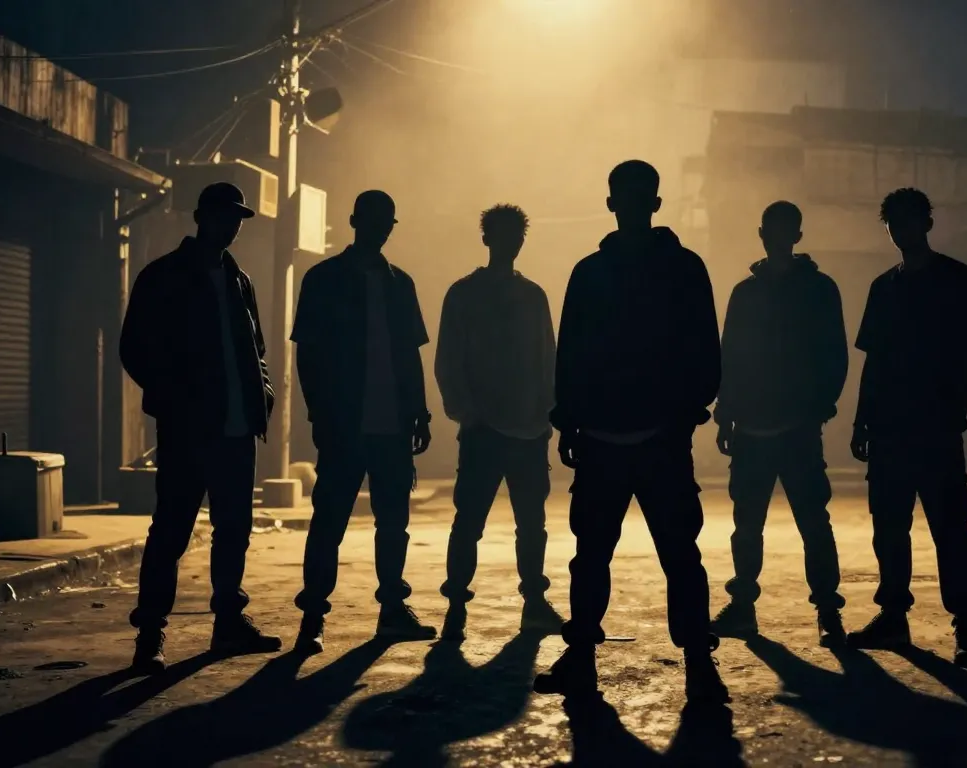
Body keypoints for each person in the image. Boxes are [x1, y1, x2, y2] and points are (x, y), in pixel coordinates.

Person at [532, 160, 727, 702]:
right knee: (675, 553)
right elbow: (705, 352)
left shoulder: (591, 272)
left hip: (609, 439)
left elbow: (571, 356)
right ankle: (696, 659)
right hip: (658, 438)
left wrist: (569, 421)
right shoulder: (683, 268)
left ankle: (584, 655)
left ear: (612, 203)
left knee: (596, 553)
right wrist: (685, 412)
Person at [120, 182, 281, 674]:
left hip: (236, 429)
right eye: (223, 216)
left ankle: (228, 623)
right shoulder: (163, 276)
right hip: (188, 429)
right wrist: (176, 399)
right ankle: (150, 634)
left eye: (237, 219)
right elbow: (134, 349)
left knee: (233, 530)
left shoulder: (239, 280)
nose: (231, 227)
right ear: (200, 217)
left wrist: (262, 395)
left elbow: (256, 350)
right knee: (171, 530)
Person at [845, 188, 967, 666]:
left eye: (908, 221)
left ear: (927, 224)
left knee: (949, 526)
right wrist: (862, 420)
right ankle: (894, 616)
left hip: (934, 428)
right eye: (893, 222)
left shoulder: (957, 280)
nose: (900, 230)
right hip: (890, 428)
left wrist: (954, 411)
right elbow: (873, 362)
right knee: (890, 527)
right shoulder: (883, 287)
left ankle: (966, 624)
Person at [291, 190, 437, 654]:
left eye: (385, 223)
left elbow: (410, 356)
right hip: (346, 423)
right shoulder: (325, 279)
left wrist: (419, 412)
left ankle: (381, 610)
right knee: (332, 522)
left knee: (388, 522)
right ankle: (316, 615)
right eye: (375, 221)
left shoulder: (398, 284)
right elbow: (308, 356)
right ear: (355, 222)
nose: (380, 229)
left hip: (387, 424)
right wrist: (319, 413)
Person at [709, 200, 849, 646]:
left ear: (793, 236)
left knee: (800, 521)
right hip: (768, 426)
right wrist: (726, 412)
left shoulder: (804, 290)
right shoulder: (785, 290)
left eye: (782, 230)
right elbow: (730, 356)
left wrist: (819, 404)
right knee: (768, 522)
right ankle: (804, 610)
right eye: (774, 230)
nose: (777, 238)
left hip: (786, 426)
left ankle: (817, 609)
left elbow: (834, 354)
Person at [436, 203, 564, 636]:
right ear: (487, 239)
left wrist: (548, 413)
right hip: (488, 428)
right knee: (475, 521)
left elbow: (548, 360)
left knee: (525, 524)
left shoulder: (530, 296)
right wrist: (466, 412)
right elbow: (449, 360)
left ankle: (524, 601)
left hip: (526, 428)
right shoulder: (465, 294)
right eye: (506, 235)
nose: (512, 243)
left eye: (517, 236)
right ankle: (459, 602)